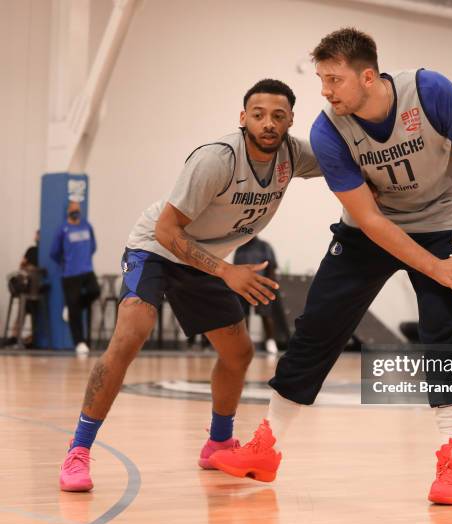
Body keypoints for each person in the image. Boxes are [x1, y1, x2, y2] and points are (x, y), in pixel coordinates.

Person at [210, 28, 452, 505]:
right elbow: (370, 218)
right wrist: (437, 270)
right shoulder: (328, 129)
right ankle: (266, 447)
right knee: (317, 325)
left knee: (443, 331)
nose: (326, 91)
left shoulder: (430, 91)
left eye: (334, 79)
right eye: (322, 80)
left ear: (369, 77)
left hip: (442, 222)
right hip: (369, 229)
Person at [59, 79, 320, 492]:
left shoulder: (293, 154)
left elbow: (350, 157)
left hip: (205, 258)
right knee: (132, 333)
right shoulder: (216, 159)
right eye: (258, 115)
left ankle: (218, 442)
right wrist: (227, 272)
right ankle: (78, 450)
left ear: (291, 120)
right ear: (242, 118)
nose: (268, 123)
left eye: (278, 115)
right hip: (158, 248)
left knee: (238, 352)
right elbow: (166, 230)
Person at [50, 202, 100, 355]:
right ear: (67, 211)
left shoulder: (87, 226)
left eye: (77, 210)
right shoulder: (63, 229)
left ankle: (73, 308)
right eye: (73, 210)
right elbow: (54, 252)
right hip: (70, 274)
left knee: (95, 291)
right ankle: (79, 342)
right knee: (75, 312)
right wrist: (65, 262)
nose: (76, 212)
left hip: (87, 270)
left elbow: (93, 246)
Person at [234, 236, 280, 354]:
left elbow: (271, 267)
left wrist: (269, 287)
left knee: (266, 315)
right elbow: (235, 269)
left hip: (261, 286)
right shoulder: (240, 248)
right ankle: (245, 342)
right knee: (243, 316)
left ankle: (270, 341)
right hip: (243, 287)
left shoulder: (264, 246)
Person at [4, 231, 40, 347]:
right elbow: (22, 264)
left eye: (38, 235)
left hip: (37, 289)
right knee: (22, 310)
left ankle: (31, 338)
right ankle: (15, 337)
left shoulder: (44, 252)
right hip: (27, 289)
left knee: (33, 313)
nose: (36, 237)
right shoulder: (31, 250)